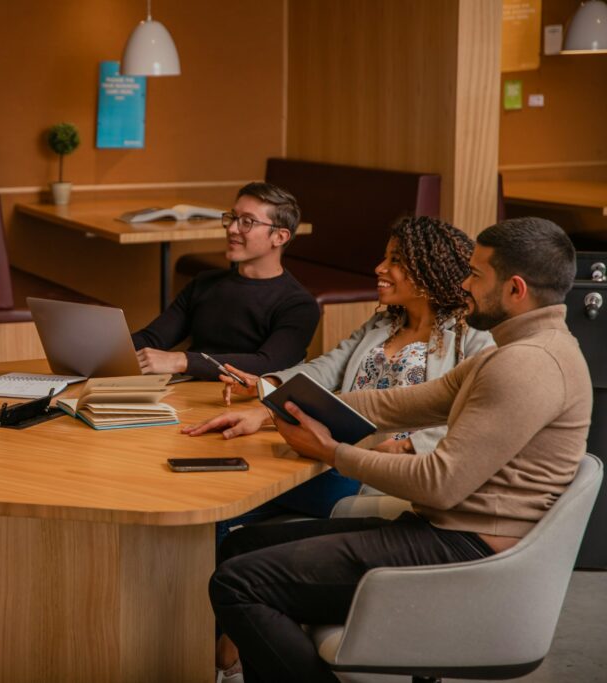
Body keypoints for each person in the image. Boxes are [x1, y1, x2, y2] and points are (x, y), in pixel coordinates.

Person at [205, 217, 591, 683]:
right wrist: (285, 406)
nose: (463, 284)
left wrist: (332, 453)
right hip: (449, 532)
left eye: (474, 275)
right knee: (242, 544)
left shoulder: (526, 365)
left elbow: (440, 483)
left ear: (515, 289)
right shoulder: (517, 351)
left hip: (465, 552)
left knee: (238, 584)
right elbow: (399, 403)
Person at [186, 216, 494, 520]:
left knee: (236, 488)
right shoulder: (383, 323)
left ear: (430, 270)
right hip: (334, 455)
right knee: (226, 496)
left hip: (389, 471)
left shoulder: (471, 336)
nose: (379, 268)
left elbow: (478, 417)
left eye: (395, 261)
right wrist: (265, 386)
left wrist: (409, 446)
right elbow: (324, 368)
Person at [130, 182, 320, 380]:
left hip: (245, 402)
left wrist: (182, 361)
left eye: (247, 222)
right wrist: (104, 351)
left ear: (280, 237)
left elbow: (267, 364)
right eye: (233, 218)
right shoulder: (205, 282)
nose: (232, 228)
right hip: (188, 392)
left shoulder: (299, 305)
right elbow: (152, 338)